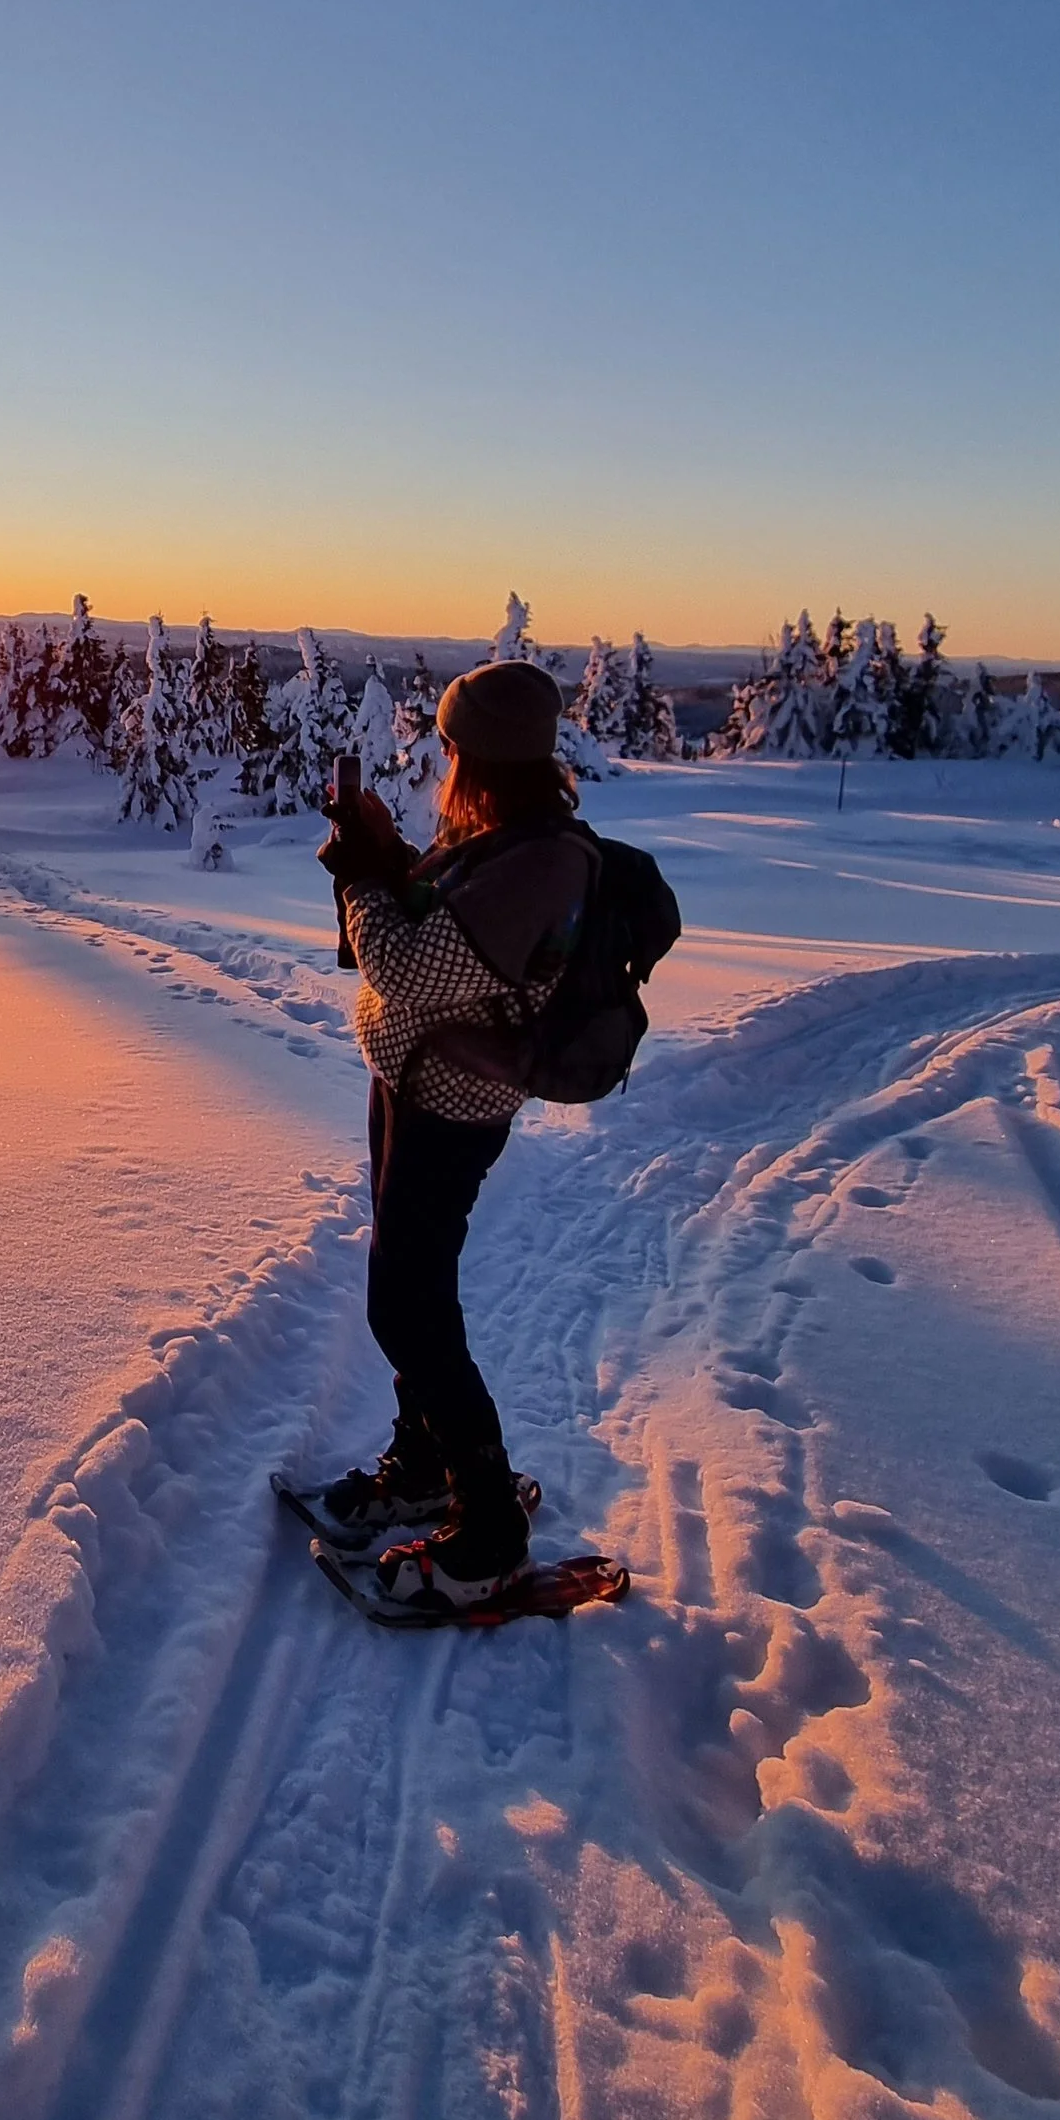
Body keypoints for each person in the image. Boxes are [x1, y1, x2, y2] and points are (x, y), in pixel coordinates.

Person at [314, 657, 594, 1586]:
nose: (441, 761)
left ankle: (488, 1525)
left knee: (406, 1303)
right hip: (411, 1082)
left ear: (486, 757)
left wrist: (361, 876)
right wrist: (386, 855)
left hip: (452, 1106)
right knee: (412, 1288)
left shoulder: (540, 861)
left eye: (451, 746)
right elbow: (423, 930)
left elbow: (410, 969)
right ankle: (427, 1462)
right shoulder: (499, 839)